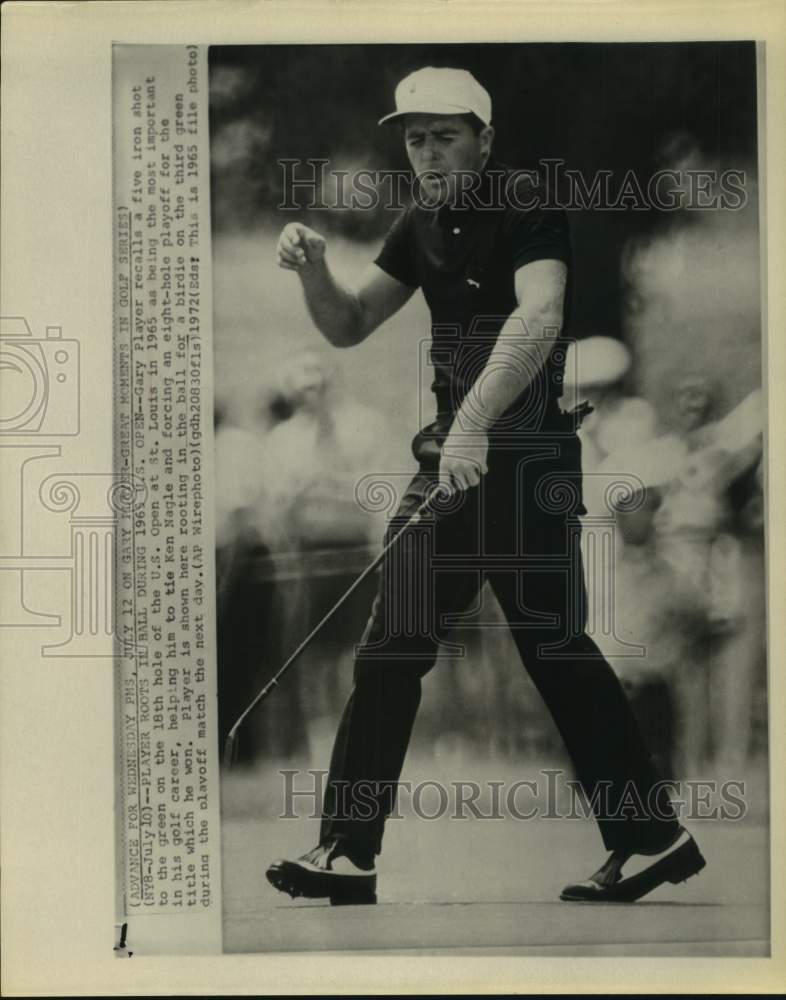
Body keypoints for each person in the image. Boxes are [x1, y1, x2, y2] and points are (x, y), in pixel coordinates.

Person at [265, 67, 705, 905]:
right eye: (416, 139)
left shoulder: (527, 204)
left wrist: (470, 424)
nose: (428, 154)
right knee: (396, 643)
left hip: (525, 458)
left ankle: (648, 835)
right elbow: (351, 323)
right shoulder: (421, 219)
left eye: (446, 136)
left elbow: (538, 316)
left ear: (485, 139)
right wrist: (313, 270)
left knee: (553, 650)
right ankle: (350, 849)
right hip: (453, 462)